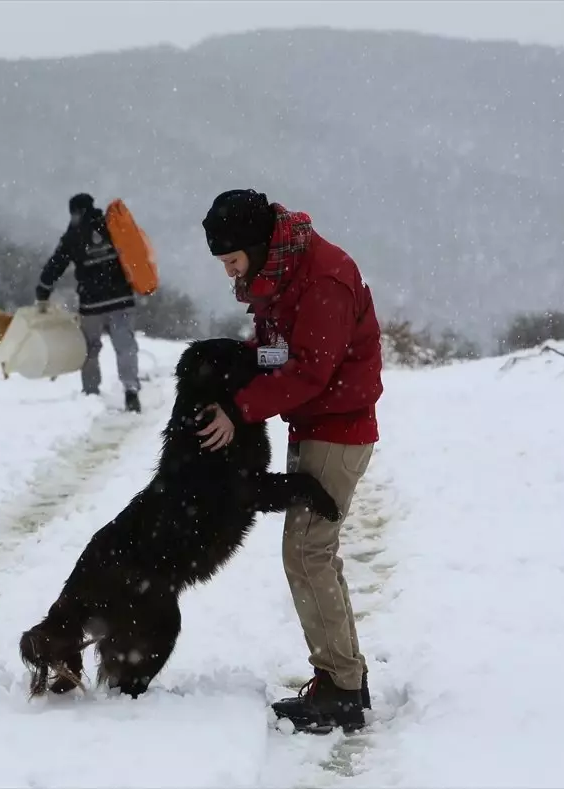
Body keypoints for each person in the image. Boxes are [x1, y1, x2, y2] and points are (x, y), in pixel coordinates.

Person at [196, 189, 384, 734]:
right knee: (314, 553)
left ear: (256, 246)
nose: (227, 271)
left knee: (307, 553)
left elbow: (311, 371)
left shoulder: (322, 279)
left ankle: (342, 690)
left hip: (339, 429)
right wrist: (239, 364)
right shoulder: (284, 272)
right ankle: (343, 676)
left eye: (231, 260)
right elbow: (278, 345)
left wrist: (241, 407)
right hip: (317, 423)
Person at [35, 192, 141, 413]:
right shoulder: (112, 226)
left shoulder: (74, 235)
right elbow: (134, 250)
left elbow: (56, 264)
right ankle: (131, 391)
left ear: (76, 212)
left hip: (92, 305)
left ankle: (91, 393)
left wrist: (43, 289)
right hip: (121, 300)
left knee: (89, 349)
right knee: (125, 347)